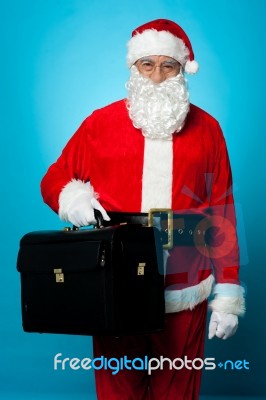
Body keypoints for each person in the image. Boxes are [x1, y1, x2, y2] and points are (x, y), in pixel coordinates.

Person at [41, 19, 245, 400]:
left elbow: (223, 211)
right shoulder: (99, 124)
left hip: (187, 280)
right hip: (117, 278)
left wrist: (228, 292)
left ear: (183, 70)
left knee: (178, 389)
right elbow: (53, 179)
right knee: (118, 388)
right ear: (133, 68)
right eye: (146, 64)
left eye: (168, 65)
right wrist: (74, 201)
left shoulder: (208, 129)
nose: (156, 75)